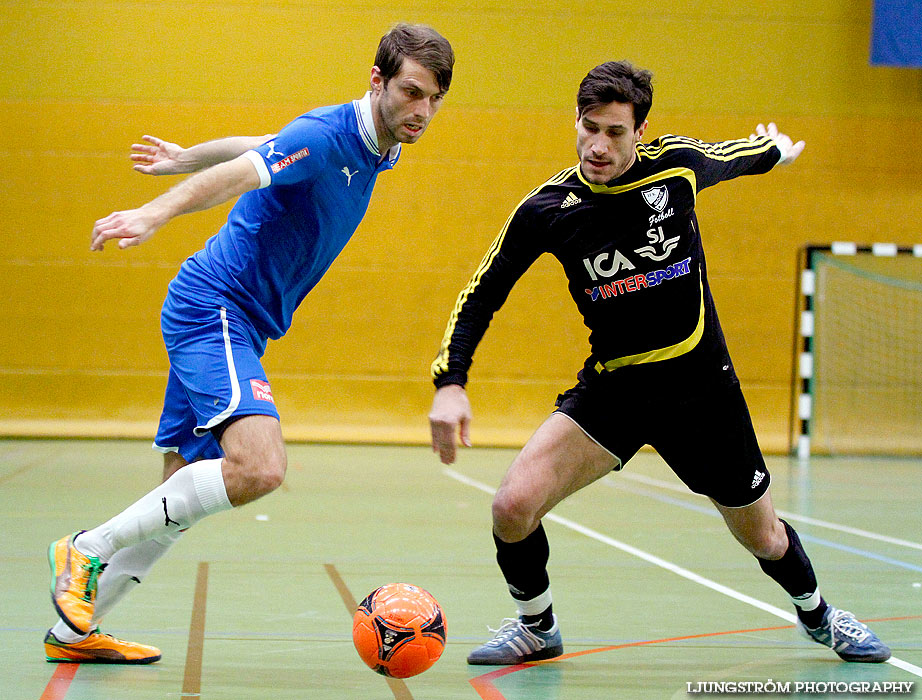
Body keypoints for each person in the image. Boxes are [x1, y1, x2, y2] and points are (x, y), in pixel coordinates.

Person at [428, 60, 891, 666]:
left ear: (640, 130)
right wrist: (450, 382)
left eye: (615, 132)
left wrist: (775, 148)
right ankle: (537, 626)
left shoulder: (675, 170)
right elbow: (481, 293)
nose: (598, 145)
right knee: (512, 507)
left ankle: (821, 615)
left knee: (763, 534)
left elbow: (738, 155)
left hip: (702, 390)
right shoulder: (547, 210)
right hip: (615, 391)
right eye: (588, 127)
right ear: (576, 121)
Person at [45, 23, 454, 664]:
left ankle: (73, 634)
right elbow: (247, 171)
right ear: (377, 81)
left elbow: (262, 144)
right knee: (259, 468)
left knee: (178, 490)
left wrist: (185, 155)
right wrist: (155, 211)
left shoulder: (383, 144)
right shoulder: (327, 136)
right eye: (410, 93)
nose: (422, 112)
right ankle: (84, 549)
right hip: (216, 308)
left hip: (239, 320)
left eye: (433, 99)